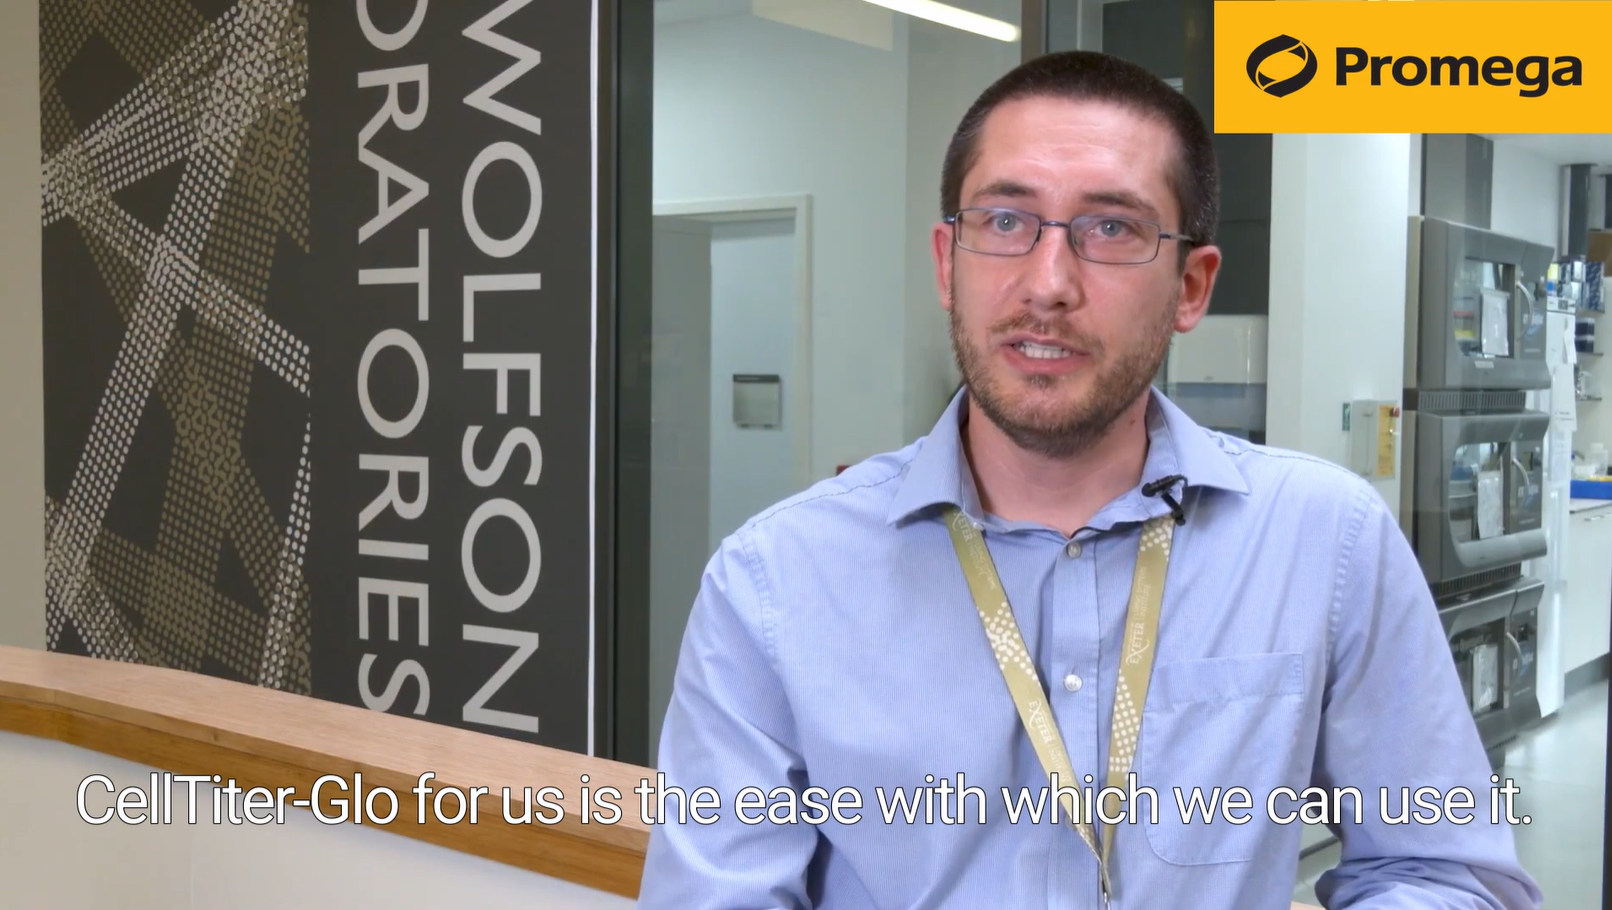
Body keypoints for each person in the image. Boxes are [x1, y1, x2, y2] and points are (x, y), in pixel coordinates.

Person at [639, 51, 1542, 909]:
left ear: (1191, 287)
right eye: (1005, 221)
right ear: (948, 263)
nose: (1048, 284)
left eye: (1111, 229)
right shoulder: (776, 580)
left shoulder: (1323, 542)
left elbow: (1446, 869)